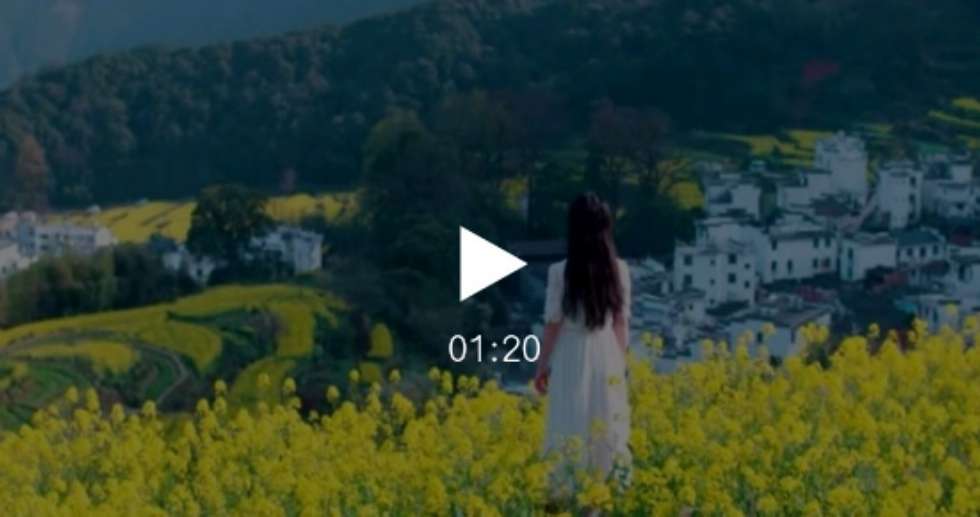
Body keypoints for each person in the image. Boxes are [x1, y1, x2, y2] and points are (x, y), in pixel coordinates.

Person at [534, 192, 631, 489]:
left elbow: (553, 324)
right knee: (605, 419)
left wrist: (541, 367)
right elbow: (621, 323)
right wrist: (621, 367)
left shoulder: (559, 272)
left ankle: (567, 490)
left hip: (571, 353)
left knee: (570, 419)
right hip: (607, 352)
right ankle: (603, 492)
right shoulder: (619, 270)